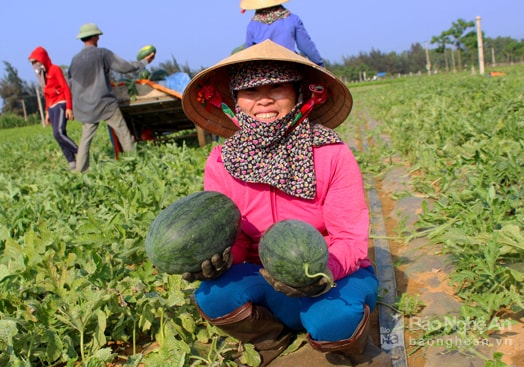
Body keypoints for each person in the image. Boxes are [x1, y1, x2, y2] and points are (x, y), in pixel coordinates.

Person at [181, 40, 392, 367]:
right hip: (263, 278)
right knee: (212, 294)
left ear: (299, 94)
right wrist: (221, 259)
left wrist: (320, 272)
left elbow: (350, 239)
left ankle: (348, 350)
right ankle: (270, 341)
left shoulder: (331, 153)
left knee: (333, 321)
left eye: (277, 86)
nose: (264, 98)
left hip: (331, 275)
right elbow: (234, 236)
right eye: (250, 90)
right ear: (235, 101)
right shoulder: (222, 161)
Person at [68, 23, 155, 172]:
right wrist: (144, 62)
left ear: (82, 39)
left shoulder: (75, 60)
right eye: (98, 36)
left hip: (84, 106)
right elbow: (125, 67)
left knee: (85, 140)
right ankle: (132, 164)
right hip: (104, 102)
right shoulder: (103, 54)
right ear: (95, 37)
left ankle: (80, 171)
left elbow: (71, 81)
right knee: (123, 132)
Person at [28, 46, 78, 170]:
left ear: (42, 59)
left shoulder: (54, 69)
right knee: (57, 135)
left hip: (61, 103)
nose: (34, 65)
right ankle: (71, 161)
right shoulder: (42, 75)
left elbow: (65, 88)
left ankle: (80, 152)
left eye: (36, 61)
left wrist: (69, 107)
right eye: (32, 63)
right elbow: (46, 94)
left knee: (59, 132)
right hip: (51, 107)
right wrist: (47, 112)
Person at [241, 0, 325, 67]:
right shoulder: (292, 19)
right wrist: (319, 64)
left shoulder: (252, 26)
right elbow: (306, 46)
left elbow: (249, 54)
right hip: (290, 66)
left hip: (263, 72)